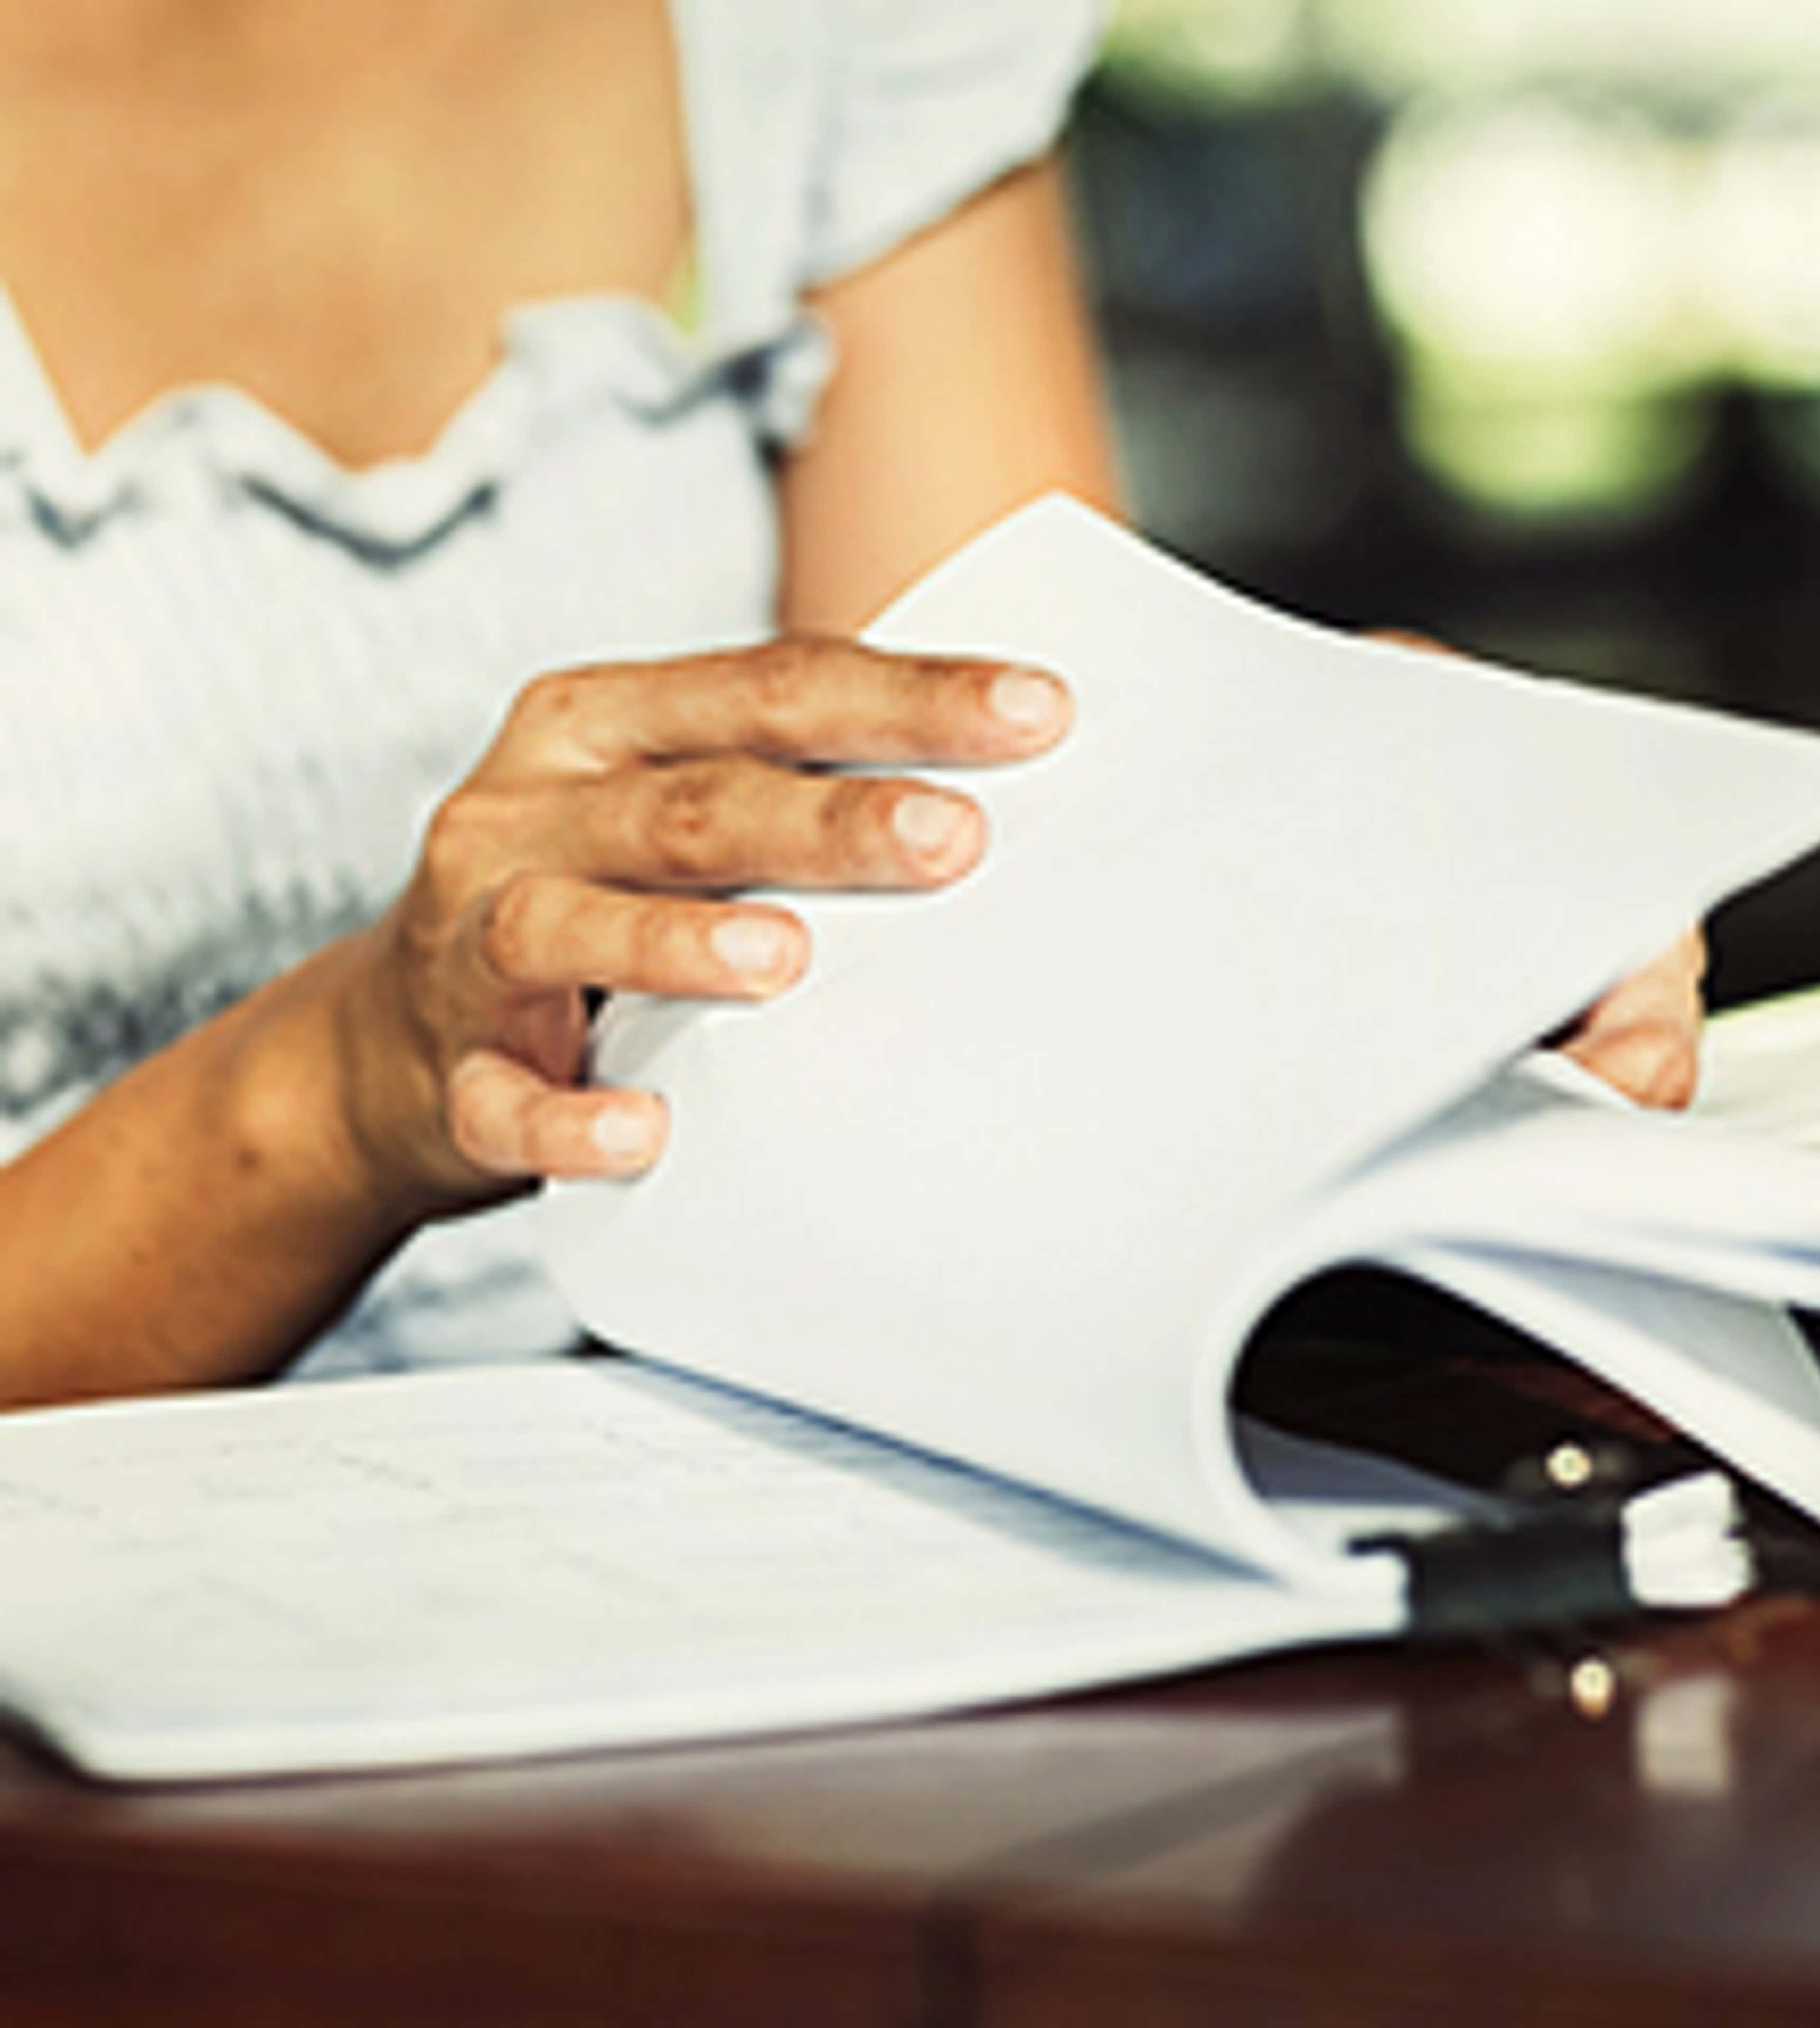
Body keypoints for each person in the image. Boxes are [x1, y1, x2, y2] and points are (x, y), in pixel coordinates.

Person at [0, 0, 1702, 1410]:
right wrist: (338, 1097)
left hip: (717, 1491)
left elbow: (979, 863)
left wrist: (1292, 841)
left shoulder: (841, 34)